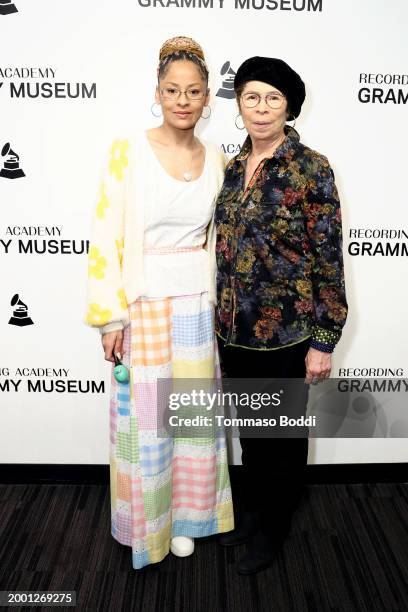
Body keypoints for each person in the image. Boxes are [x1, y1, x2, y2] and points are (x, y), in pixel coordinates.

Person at [85, 36, 234, 570]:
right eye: (172, 89)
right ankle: (150, 526)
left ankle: (189, 520)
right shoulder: (128, 149)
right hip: (143, 303)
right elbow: (104, 236)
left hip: (196, 304)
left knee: (192, 422)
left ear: (206, 98)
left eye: (193, 91)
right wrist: (109, 316)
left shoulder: (217, 155)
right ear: (158, 92)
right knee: (147, 423)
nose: (183, 100)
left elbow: (220, 237)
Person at [215, 56, 348, 574]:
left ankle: (275, 527)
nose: (262, 108)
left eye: (273, 98)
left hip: (288, 334)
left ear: (289, 105)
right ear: (239, 104)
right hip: (234, 330)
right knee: (252, 432)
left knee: (283, 438)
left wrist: (324, 339)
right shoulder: (231, 167)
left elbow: (328, 256)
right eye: (252, 96)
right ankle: (253, 511)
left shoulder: (311, 167)